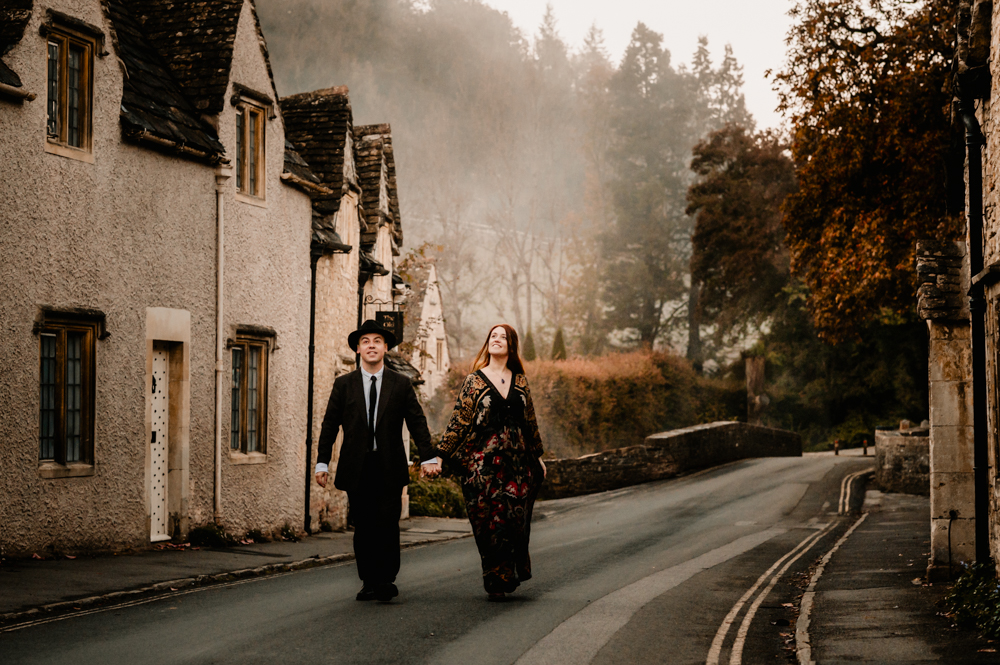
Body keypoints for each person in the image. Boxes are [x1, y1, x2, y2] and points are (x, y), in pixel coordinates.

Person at [315, 319, 442, 602]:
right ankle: (369, 581)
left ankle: (386, 579)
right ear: (358, 349)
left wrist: (428, 457)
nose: (371, 345)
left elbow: (417, 422)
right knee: (364, 526)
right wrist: (322, 462)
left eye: (376, 341)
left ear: (385, 347)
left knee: (387, 523)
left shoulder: (400, 384)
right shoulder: (343, 385)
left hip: (388, 465)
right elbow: (329, 425)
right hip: (356, 467)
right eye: (365, 341)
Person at [438, 324, 546, 600]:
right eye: (492, 336)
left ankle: (510, 572)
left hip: (518, 466)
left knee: (515, 520)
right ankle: (496, 579)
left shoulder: (520, 380)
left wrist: (538, 457)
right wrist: (440, 454)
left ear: (512, 345)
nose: (496, 340)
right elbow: (459, 421)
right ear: (487, 344)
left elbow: (529, 420)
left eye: (503, 337)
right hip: (483, 466)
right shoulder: (474, 381)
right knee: (489, 522)